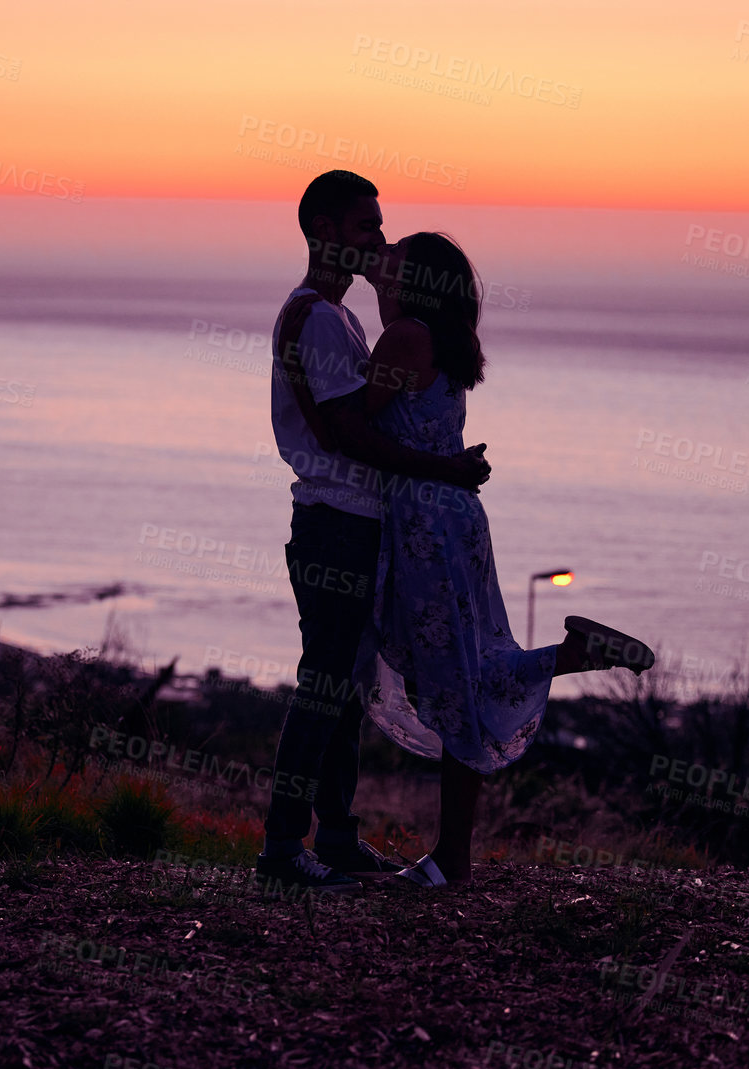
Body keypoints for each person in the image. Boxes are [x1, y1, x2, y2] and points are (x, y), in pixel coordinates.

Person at [355, 231, 656, 888]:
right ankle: (572, 654)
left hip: (422, 526)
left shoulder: (404, 337)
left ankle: (444, 861)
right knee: (462, 671)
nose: (384, 250)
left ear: (416, 281)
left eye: (395, 252)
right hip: (453, 520)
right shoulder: (438, 338)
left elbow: (349, 424)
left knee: (447, 683)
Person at [255, 172, 494, 895]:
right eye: (366, 227)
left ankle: (333, 835)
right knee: (325, 684)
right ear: (323, 229)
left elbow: (358, 415)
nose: (380, 240)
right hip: (335, 520)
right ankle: (281, 846)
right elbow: (343, 432)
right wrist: (441, 468)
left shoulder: (345, 319)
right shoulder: (321, 319)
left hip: (354, 521)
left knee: (344, 684)